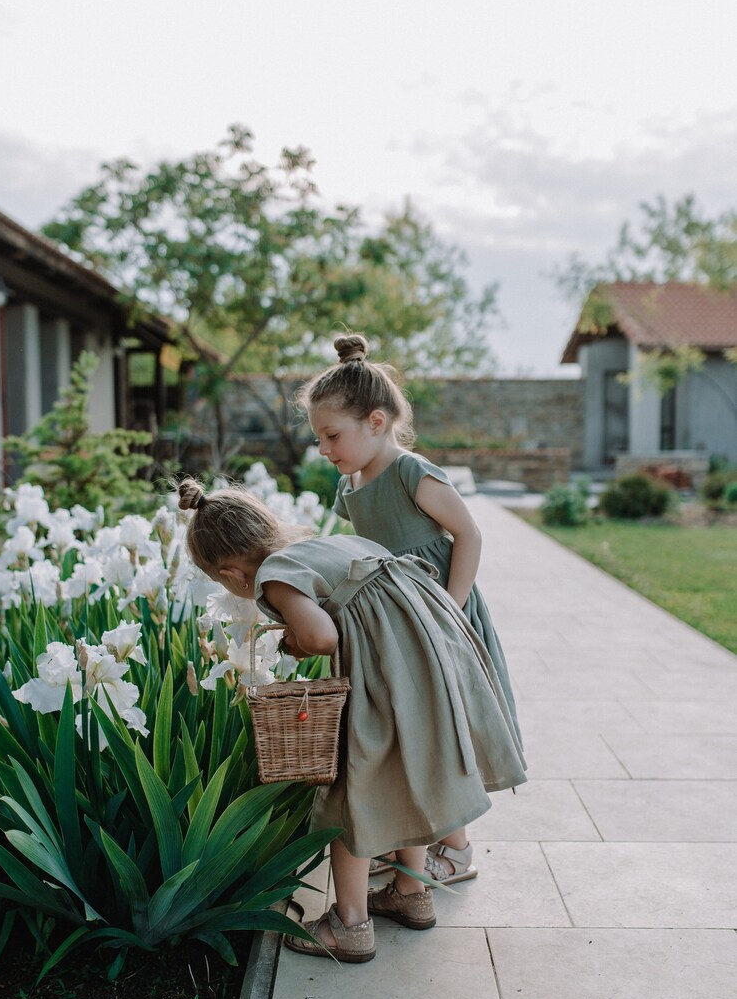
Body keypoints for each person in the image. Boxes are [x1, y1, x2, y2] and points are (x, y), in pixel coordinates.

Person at [177, 477, 527, 964]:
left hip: (386, 680)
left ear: (233, 572)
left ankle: (350, 923)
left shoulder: (276, 575)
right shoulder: (330, 544)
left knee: (350, 797)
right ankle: (410, 891)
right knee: (409, 779)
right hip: (427, 666)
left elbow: (320, 637)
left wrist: (293, 642)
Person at [297, 332, 523, 885]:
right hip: (394, 622)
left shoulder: (409, 473)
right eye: (320, 438)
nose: (325, 449)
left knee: (446, 729)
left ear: (376, 422)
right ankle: (409, 840)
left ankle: (457, 850)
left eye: (332, 435)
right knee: (412, 729)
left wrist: (452, 609)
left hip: (442, 616)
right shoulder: (353, 481)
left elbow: (467, 534)